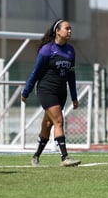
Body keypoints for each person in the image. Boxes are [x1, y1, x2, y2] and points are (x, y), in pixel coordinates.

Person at [21, 19, 81, 167]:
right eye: (67, 28)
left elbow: (71, 76)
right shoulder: (47, 50)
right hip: (46, 90)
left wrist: (74, 96)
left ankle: (35, 157)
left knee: (48, 124)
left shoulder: (70, 51)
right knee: (59, 121)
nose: (69, 31)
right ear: (57, 31)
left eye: (70, 29)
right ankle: (64, 157)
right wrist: (26, 91)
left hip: (61, 92)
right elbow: (35, 72)